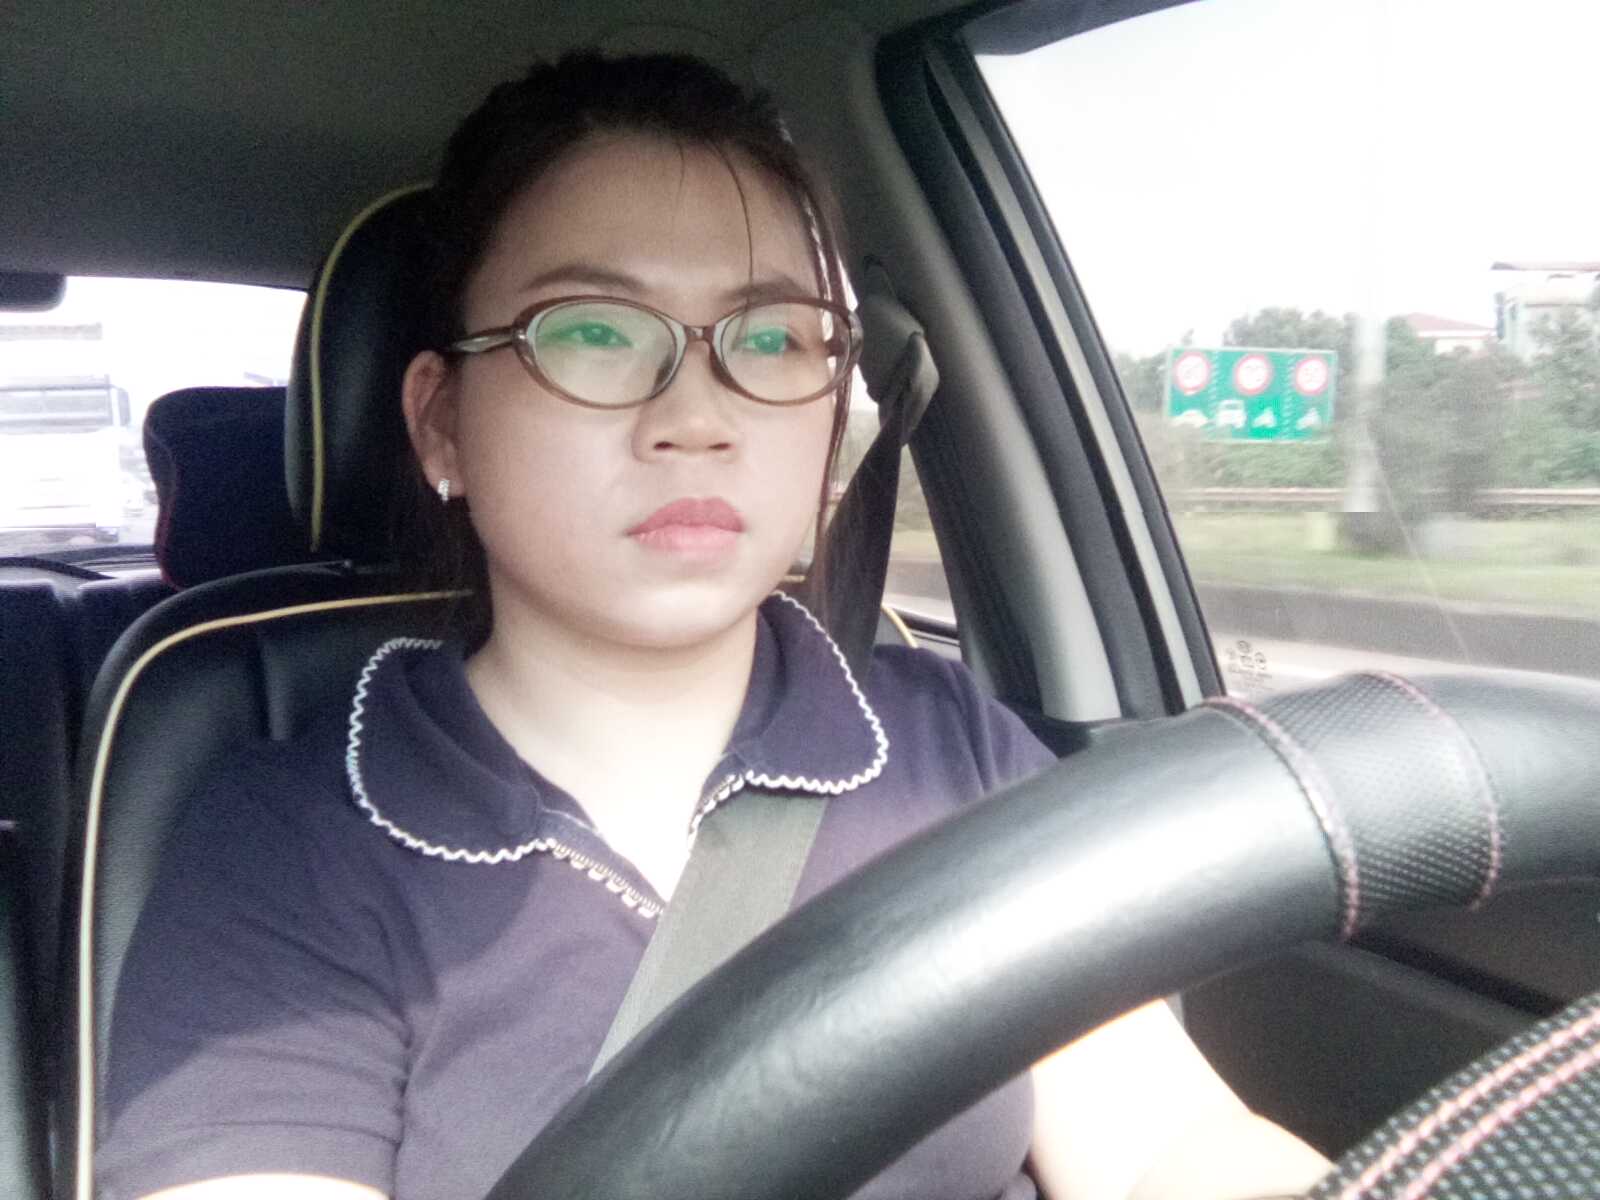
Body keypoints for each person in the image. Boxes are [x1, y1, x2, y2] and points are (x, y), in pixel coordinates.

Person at [98, 51, 1331, 1200]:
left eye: (774, 338)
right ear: (440, 425)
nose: (697, 417)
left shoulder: (945, 746)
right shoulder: (297, 842)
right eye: (591, 332)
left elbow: (1168, 1145)